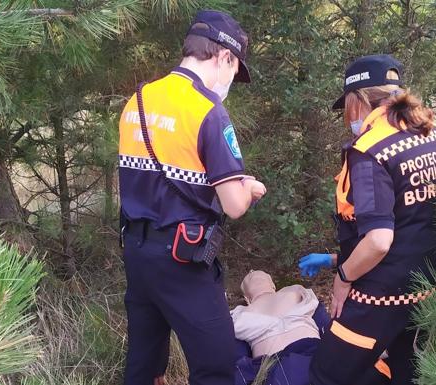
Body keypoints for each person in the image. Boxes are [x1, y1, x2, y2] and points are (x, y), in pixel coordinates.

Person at [118, 10, 266, 385]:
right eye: (234, 71)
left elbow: (164, 173)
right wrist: (248, 187)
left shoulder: (137, 100)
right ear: (225, 57)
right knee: (217, 364)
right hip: (183, 259)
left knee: (145, 366)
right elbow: (233, 206)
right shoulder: (208, 111)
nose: (232, 80)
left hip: (136, 251)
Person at [299, 54, 436, 384]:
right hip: (431, 288)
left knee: (327, 374)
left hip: (380, 297)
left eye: (346, 108)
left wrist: (342, 277)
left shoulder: (370, 151)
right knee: (406, 372)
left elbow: (380, 240)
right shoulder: (434, 135)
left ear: (357, 100)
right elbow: (415, 221)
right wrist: (334, 256)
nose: (347, 118)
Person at [231, 270, 330, 385]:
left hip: (313, 353)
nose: (252, 271)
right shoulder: (239, 313)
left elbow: (325, 324)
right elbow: (234, 351)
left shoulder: (295, 290)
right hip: (274, 367)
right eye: (251, 278)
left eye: (260, 276)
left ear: (273, 286)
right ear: (247, 299)